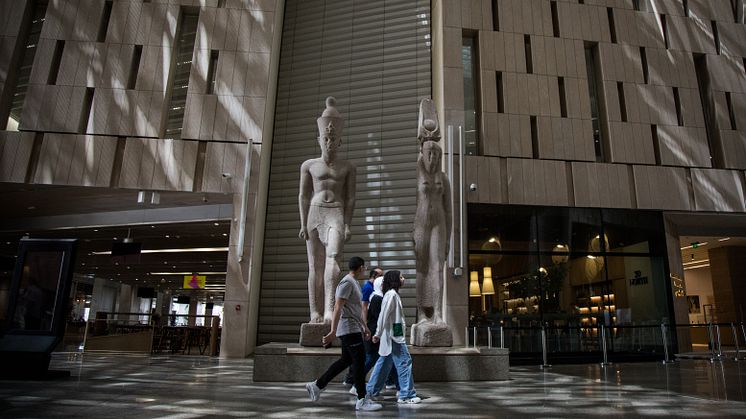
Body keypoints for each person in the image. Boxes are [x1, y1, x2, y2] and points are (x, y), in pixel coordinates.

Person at [299, 96, 357, 324]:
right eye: (326, 139)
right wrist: (303, 223)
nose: (329, 143)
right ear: (319, 140)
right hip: (315, 211)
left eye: (333, 139)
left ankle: (329, 309)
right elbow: (303, 195)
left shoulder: (348, 167)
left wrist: (348, 224)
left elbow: (351, 197)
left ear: (340, 142)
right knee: (315, 265)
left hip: (336, 212)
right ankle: (314, 311)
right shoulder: (309, 165)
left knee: (333, 259)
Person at [306, 257, 382, 411]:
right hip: (348, 329)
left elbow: (354, 310)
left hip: (353, 327)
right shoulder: (347, 282)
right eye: (365, 267)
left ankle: (317, 385)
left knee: (346, 360)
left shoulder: (353, 283)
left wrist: (364, 327)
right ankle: (361, 399)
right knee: (359, 363)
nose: (365, 270)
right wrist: (332, 331)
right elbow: (337, 307)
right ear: (361, 267)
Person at [414, 99, 451, 326]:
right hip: (420, 223)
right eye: (429, 154)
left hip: (439, 222)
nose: (433, 158)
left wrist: (448, 239)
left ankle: (437, 313)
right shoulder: (417, 174)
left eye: (436, 154)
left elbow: (449, 211)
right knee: (421, 266)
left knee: (437, 268)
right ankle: (421, 313)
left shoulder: (443, 179)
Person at [367, 270, 421, 404]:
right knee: (404, 362)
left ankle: (371, 391)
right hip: (394, 337)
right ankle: (406, 395)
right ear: (394, 280)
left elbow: (389, 317)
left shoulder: (391, 294)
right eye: (401, 277)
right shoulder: (392, 295)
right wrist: (378, 333)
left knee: (384, 363)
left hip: (391, 336)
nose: (403, 279)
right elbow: (383, 315)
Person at [342, 266, 382, 386]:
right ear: (374, 276)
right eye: (380, 276)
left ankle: (352, 379)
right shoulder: (368, 288)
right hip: (367, 325)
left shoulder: (373, 289)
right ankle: (352, 379)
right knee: (367, 355)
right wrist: (364, 326)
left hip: (367, 325)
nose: (382, 279)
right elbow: (363, 307)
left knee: (367, 355)